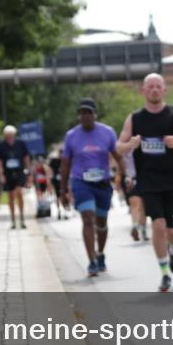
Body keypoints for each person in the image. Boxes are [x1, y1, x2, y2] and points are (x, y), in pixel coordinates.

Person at [116, 74, 173, 292]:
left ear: (164, 91)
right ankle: (164, 274)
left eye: (158, 87)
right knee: (158, 226)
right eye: (150, 87)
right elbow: (118, 147)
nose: (154, 90)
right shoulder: (135, 118)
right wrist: (130, 144)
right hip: (149, 180)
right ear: (143, 90)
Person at [60, 99, 124, 278]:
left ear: (95, 115)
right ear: (78, 115)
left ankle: (101, 253)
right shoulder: (72, 136)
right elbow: (65, 164)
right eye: (82, 113)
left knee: (101, 222)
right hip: (81, 182)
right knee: (88, 218)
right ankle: (92, 260)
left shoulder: (107, 132)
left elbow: (118, 157)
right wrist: (63, 190)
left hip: (103, 183)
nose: (85, 116)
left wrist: (125, 177)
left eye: (89, 112)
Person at [0, 125, 31, 229]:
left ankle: (22, 218)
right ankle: (13, 220)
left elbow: (26, 158)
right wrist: (1, 174)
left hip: (19, 172)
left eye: (11, 136)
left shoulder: (21, 144)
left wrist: (28, 172)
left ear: (14, 135)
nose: (9, 138)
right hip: (8, 173)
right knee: (11, 196)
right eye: (7, 136)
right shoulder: (1, 146)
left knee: (19, 193)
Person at [122, 149, 148, 240]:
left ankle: (136, 226)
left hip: (135, 178)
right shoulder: (127, 145)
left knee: (137, 206)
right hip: (138, 179)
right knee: (141, 206)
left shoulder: (127, 146)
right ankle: (142, 230)